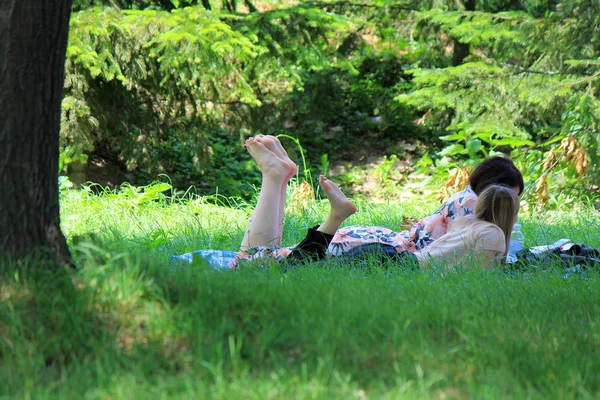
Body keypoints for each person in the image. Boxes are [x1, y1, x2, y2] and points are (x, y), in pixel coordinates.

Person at [230, 135, 522, 268]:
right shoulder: (480, 212)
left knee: (264, 257)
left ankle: (280, 176)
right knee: (248, 263)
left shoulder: (463, 200)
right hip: (386, 251)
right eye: (515, 196)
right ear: (503, 191)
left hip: (381, 241)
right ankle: (274, 175)